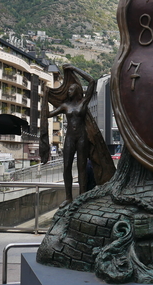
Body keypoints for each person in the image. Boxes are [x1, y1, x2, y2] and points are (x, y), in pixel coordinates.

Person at [48, 65, 97, 207]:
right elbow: (49, 114)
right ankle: (69, 197)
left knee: (81, 167)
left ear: (76, 91)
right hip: (69, 138)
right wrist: (45, 97)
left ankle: (81, 195)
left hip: (82, 138)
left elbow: (92, 81)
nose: (68, 91)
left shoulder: (83, 103)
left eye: (70, 89)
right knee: (67, 167)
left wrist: (74, 68)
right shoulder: (65, 106)